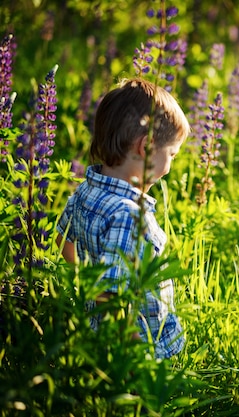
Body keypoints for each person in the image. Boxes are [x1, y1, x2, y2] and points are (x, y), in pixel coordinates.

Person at [56, 77, 189, 359]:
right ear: (148, 147)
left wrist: (84, 287)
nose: (171, 165)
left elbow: (63, 240)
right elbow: (112, 297)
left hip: (98, 337)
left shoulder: (85, 190)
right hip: (138, 351)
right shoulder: (128, 215)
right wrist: (133, 355)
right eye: (172, 154)